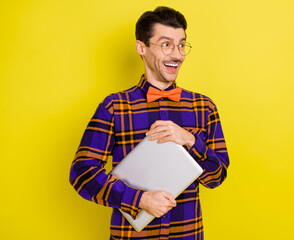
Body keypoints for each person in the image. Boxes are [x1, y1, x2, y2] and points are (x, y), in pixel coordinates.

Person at [70, 6, 229, 240]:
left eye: (182, 45)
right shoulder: (114, 106)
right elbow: (82, 173)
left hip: (187, 234)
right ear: (141, 48)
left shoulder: (203, 107)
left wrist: (190, 140)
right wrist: (140, 200)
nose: (177, 54)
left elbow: (217, 176)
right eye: (166, 44)